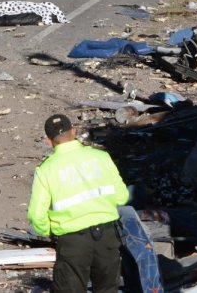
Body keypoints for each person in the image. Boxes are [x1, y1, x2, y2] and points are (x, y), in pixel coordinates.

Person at [28, 114, 128, 293]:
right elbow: (121, 197)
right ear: (73, 132)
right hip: (107, 236)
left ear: (49, 140)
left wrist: (47, 231)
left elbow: (37, 214)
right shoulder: (101, 157)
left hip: (72, 241)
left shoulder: (46, 169)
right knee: (108, 289)